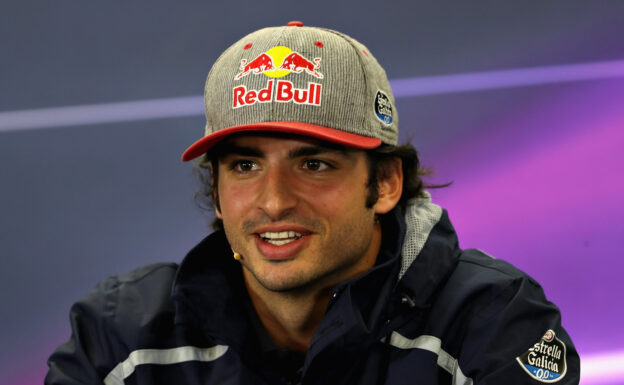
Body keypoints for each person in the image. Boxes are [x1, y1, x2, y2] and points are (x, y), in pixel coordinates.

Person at [45, 22, 580, 385]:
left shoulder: (491, 322)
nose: (274, 201)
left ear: (387, 183)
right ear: (216, 191)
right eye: (245, 166)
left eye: (314, 164)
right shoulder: (120, 336)